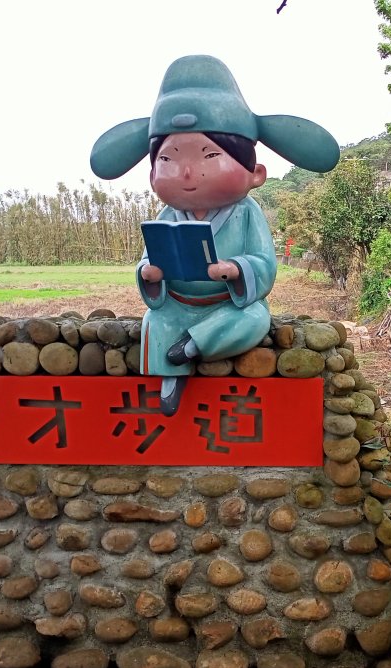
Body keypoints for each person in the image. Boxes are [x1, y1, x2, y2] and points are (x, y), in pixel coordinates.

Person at [89, 56, 339, 415]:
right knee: (154, 322)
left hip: (227, 306)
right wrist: (149, 272)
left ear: (255, 173)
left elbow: (264, 261)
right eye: (169, 159)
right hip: (176, 303)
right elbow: (150, 256)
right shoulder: (169, 214)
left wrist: (236, 269)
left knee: (254, 319)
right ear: (151, 176)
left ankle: (192, 346)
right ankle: (170, 379)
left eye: (209, 155)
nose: (188, 172)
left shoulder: (246, 212)